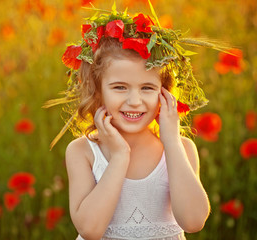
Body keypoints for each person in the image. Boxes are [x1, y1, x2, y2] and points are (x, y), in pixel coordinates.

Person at [45, 3, 228, 240]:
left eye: (147, 88)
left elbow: (193, 221)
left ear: (164, 93)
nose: (134, 101)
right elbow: (90, 229)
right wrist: (120, 156)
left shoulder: (180, 148)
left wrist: (171, 141)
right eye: (120, 87)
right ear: (98, 91)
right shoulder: (84, 152)